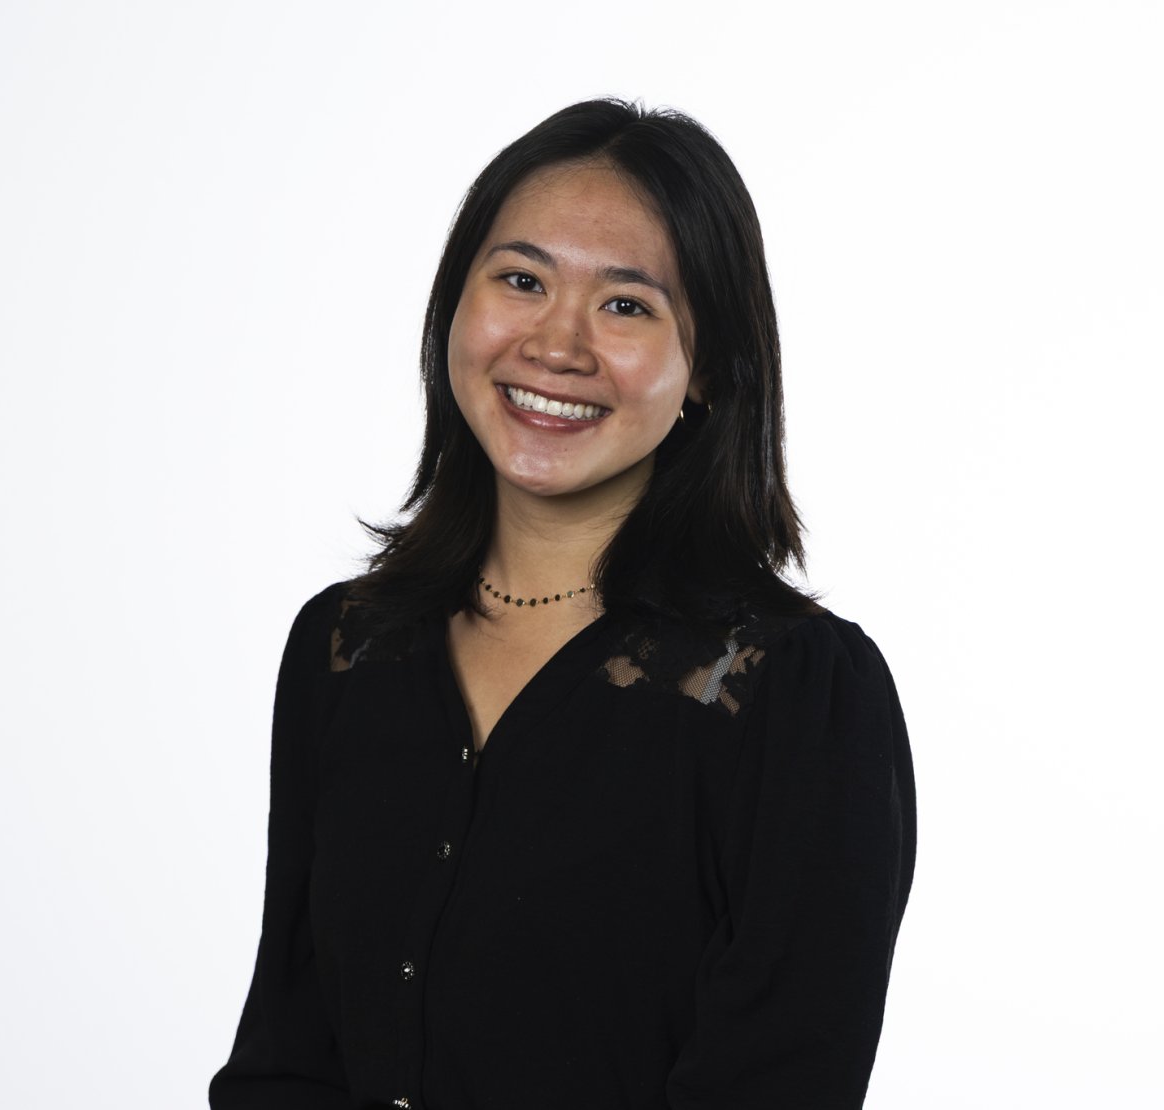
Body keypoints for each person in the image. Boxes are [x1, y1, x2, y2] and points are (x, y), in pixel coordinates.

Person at [208, 98, 915, 1110]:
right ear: (456, 306)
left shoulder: (793, 696)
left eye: (626, 305)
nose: (557, 344)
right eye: (521, 281)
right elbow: (288, 1057)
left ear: (705, 367)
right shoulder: (347, 647)